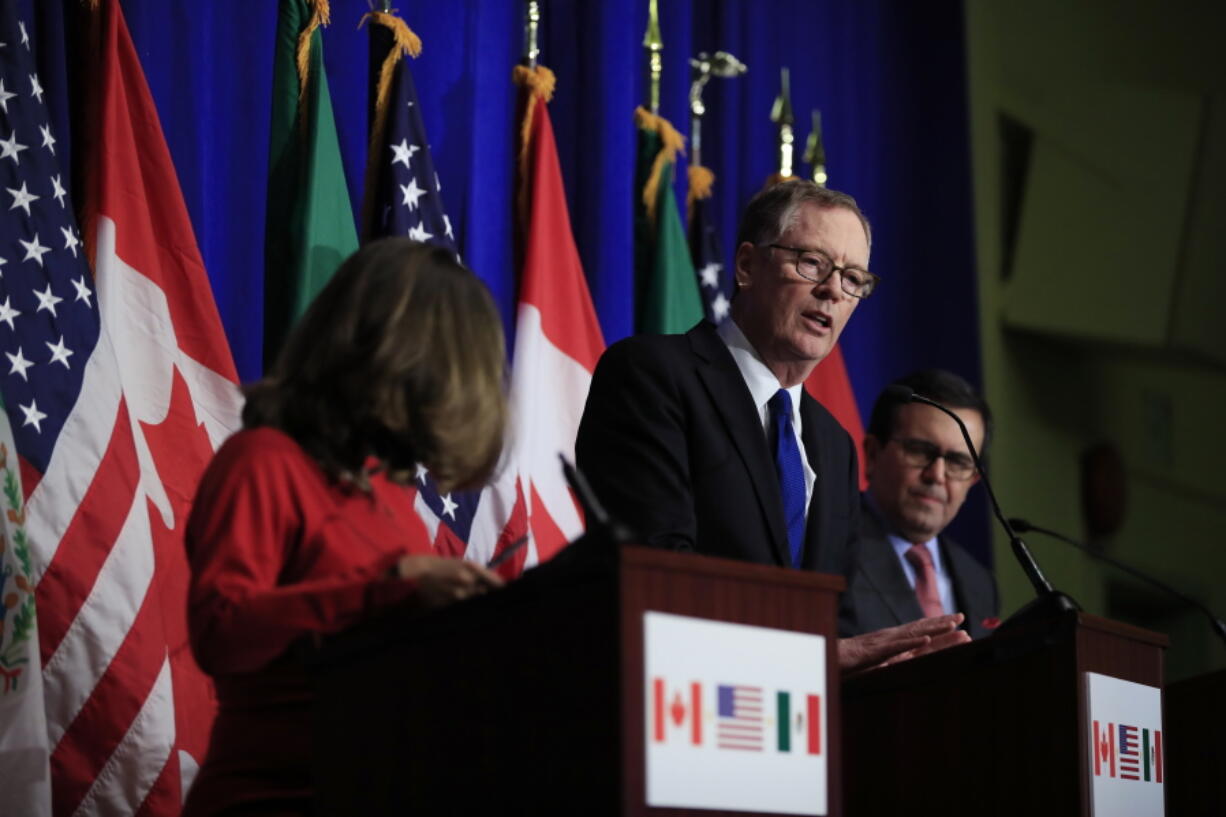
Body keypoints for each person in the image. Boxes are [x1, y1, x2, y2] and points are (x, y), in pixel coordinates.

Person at [577, 180, 968, 672]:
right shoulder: (654, 376)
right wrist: (811, 657)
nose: (832, 291)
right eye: (811, 263)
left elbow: (837, 620)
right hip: (669, 700)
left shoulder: (833, 444)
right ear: (745, 266)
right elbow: (656, 572)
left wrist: (884, 667)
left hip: (789, 727)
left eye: (852, 279)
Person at [182, 239, 506, 816]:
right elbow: (221, 632)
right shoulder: (263, 461)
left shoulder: (390, 495)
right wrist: (392, 587)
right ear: (391, 357)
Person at [840, 370, 1000, 639]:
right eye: (919, 450)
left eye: (957, 462)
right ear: (873, 454)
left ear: (973, 479)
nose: (937, 475)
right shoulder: (830, 545)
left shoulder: (980, 583)